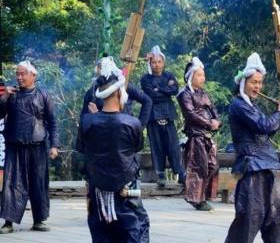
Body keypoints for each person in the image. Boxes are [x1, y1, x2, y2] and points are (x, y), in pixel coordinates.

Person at [76, 57, 159, 243]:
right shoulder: (132, 123)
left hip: (98, 186)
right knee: (138, 224)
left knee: (102, 228)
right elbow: (134, 148)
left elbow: (82, 148)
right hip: (125, 186)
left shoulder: (87, 121)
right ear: (119, 93)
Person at [209, 53, 280, 243]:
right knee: (248, 211)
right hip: (250, 165)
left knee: (275, 211)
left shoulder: (252, 105)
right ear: (243, 82)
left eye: (260, 82)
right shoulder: (239, 105)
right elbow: (263, 126)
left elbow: (271, 127)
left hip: (266, 164)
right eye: (254, 82)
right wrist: (279, 111)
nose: (258, 87)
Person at [0, 60, 59, 234]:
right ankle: (8, 222)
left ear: (33, 75)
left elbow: (53, 122)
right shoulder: (11, 95)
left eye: (22, 73)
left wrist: (54, 145)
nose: (19, 77)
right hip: (15, 146)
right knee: (12, 184)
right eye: (17, 74)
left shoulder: (43, 95)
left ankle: (39, 220)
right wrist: (4, 98)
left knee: (38, 183)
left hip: (37, 146)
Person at [177, 57, 220, 211]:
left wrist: (216, 121)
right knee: (198, 167)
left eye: (203, 75)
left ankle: (205, 196)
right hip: (196, 136)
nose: (203, 78)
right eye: (199, 75)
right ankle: (196, 199)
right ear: (191, 77)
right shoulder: (185, 94)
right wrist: (209, 123)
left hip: (207, 135)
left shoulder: (203, 92)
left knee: (212, 165)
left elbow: (213, 109)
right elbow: (190, 114)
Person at [141, 46, 186, 187]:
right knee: (157, 146)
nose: (157, 64)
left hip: (168, 113)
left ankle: (180, 174)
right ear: (150, 63)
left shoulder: (169, 76)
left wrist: (159, 89)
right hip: (152, 115)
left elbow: (174, 90)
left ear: (163, 63)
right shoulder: (145, 78)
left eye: (159, 62)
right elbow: (150, 95)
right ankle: (160, 175)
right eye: (154, 62)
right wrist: (165, 90)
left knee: (173, 146)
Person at [81, 56, 152, 128]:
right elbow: (83, 120)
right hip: (103, 132)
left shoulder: (123, 85)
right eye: (99, 69)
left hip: (126, 130)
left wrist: (140, 126)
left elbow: (147, 101)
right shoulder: (92, 92)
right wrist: (94, 116)